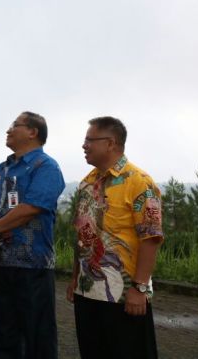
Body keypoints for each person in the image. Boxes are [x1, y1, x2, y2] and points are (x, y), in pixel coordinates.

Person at [66, 116, 163, 359]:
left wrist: (139, 289)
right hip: (88, 293)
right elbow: (83, 237)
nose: (84, 146)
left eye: (90, 140)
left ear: (110, 143)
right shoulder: (86, 184)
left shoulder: (139, 182)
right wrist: (75, 279)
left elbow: (150, 238)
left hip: (123, 296)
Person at [0, 112, 65, 359]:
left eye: (15, 125)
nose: (8, 130)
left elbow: (31, 208)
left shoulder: (46, 167)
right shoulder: (0, 168)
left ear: (33, 132)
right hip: (1, 263)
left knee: (38, 335)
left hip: (33, 265)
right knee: (5, 333)